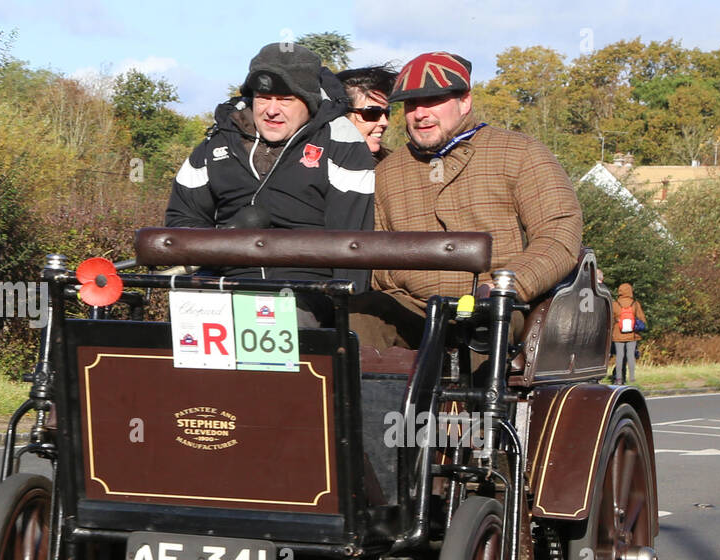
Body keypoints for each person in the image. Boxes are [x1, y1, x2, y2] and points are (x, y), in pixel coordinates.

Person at [356, 50, 583, 349]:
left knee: (477, 339)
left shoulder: (522, 153)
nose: (420, 114)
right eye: (411, 104)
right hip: (410, 308)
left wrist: (503, 288)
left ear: (465, 101)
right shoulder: (387, 172)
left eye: (433, 100)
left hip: (493, 311)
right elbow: (378, 256)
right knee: (355, 322)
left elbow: (558, 236)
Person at [165, 42, 376, 306]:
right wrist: (219, 250)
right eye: (263, 98)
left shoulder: (341, 142)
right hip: (223, 289)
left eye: (286, 99)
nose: (271, 110)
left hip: (309, 295)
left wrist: (344, 319)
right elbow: (182, 218)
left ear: (310, 101)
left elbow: (353, 244)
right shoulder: (216, 143)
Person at [337, 66, 397, 161]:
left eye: (387, 113)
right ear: (341, 116)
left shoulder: (389, 170)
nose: (385, 122)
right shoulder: (312, 168)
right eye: (372, 113)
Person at [611, 282, 644, 385]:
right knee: (630, 355)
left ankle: (619, 378)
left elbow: (610, 320)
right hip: (632, 334)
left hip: (618, 334)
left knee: (620, 356)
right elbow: (642, 319)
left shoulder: (615, 304)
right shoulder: (635, 304)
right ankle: (632, 377)